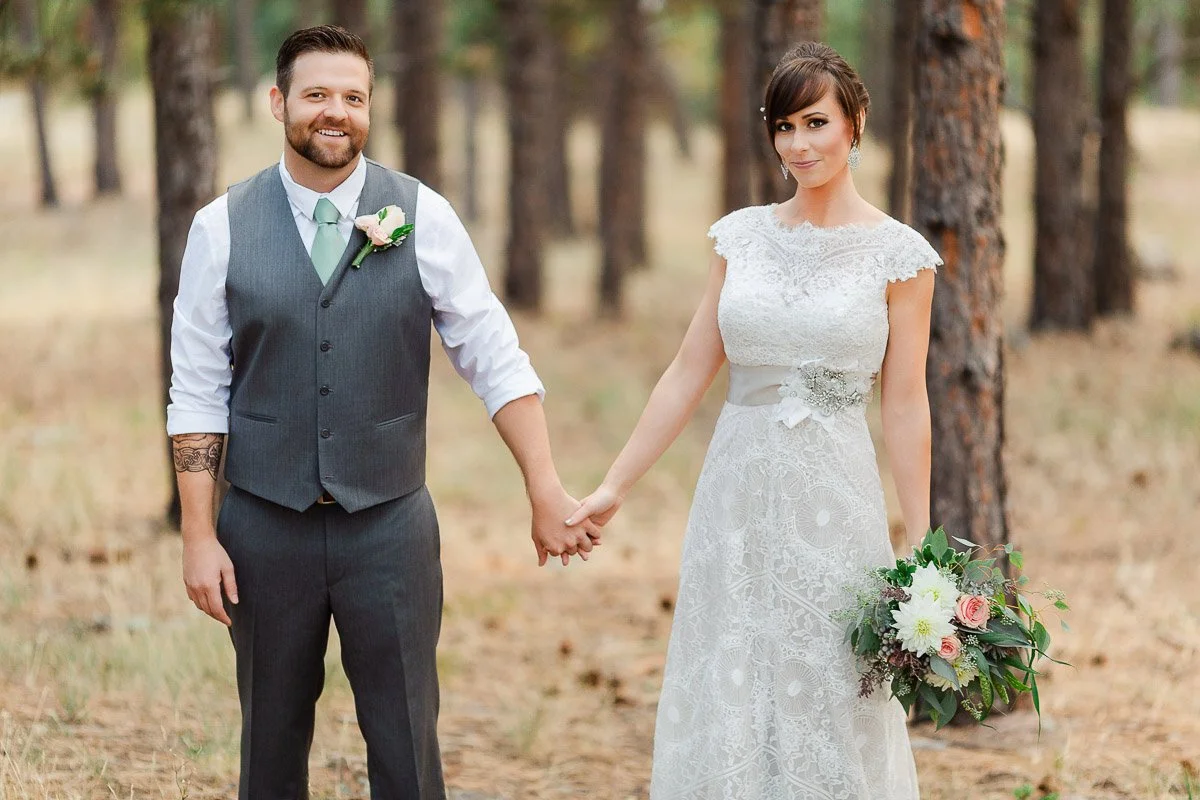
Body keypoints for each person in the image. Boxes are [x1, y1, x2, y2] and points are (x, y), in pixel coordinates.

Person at [166, 25, 598, 800]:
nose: (337, 112)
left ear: (372, 107)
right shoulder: (220, 227)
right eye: (318, 95)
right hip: (263, 526)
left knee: (406, 746)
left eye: (354, 97)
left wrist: (544, 486)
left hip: (390, 526)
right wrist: (199, 535)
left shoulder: (422, 216)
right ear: (278, 103)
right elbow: (197, 389)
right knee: (269, 749)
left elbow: (492, 354)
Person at [567, 42, 939, 798]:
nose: (798, 145)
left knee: (833, 672)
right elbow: (685, 373)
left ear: (855, 122)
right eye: (783, 126)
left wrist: (924, 548)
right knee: (733, 667)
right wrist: (615, 485)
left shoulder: (900, 257)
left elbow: (904, 401)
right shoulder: (741, 237)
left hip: (835, 493)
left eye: (815, 122)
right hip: (736, 489)